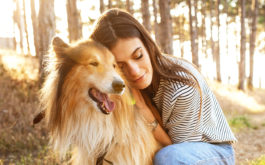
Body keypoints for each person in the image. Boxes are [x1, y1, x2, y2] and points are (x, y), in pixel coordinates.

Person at [90, 8, 237, 165]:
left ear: (148, 46)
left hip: (211, 152)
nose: (134, 71)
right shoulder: (115, 88)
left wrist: (143, 110)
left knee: (168, 157)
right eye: (120, 66)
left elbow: (176, 153)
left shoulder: (182, 86)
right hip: (169, 152)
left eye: (138, 56)